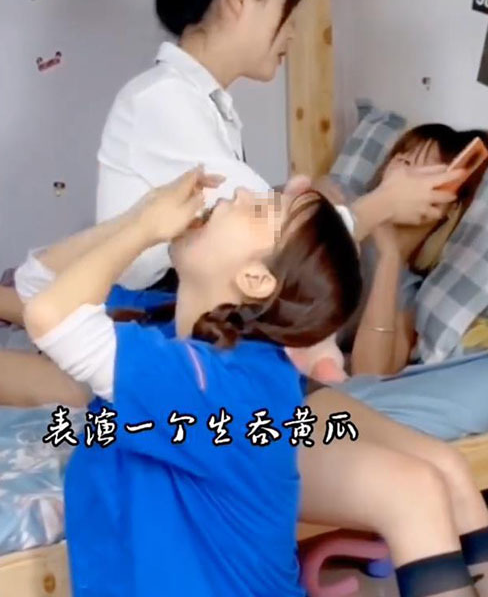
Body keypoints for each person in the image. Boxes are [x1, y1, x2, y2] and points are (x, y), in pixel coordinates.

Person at [24, 170, 488, 597]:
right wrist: (138, 216)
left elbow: (50, 317)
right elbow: (38, 283)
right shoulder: (186, 342)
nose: (241, 192)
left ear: (255, 278)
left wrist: (145, 228)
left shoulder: (211, 383)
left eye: (262, 209)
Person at [96, 0, 462, 291]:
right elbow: (285, 242)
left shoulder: (194, 99)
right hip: (151, 309)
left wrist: (289, 196)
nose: (292, 33)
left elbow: (227, 208)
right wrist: (384, 204)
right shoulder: (164, 100)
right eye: (286, 14)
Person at [346, 125, 488, 375]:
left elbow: (369, 375)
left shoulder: (408, 289)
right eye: (401, 158)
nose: (401, 172)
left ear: (450, 206)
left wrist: (390, 257)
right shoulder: (345, 214)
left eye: (421, 168)